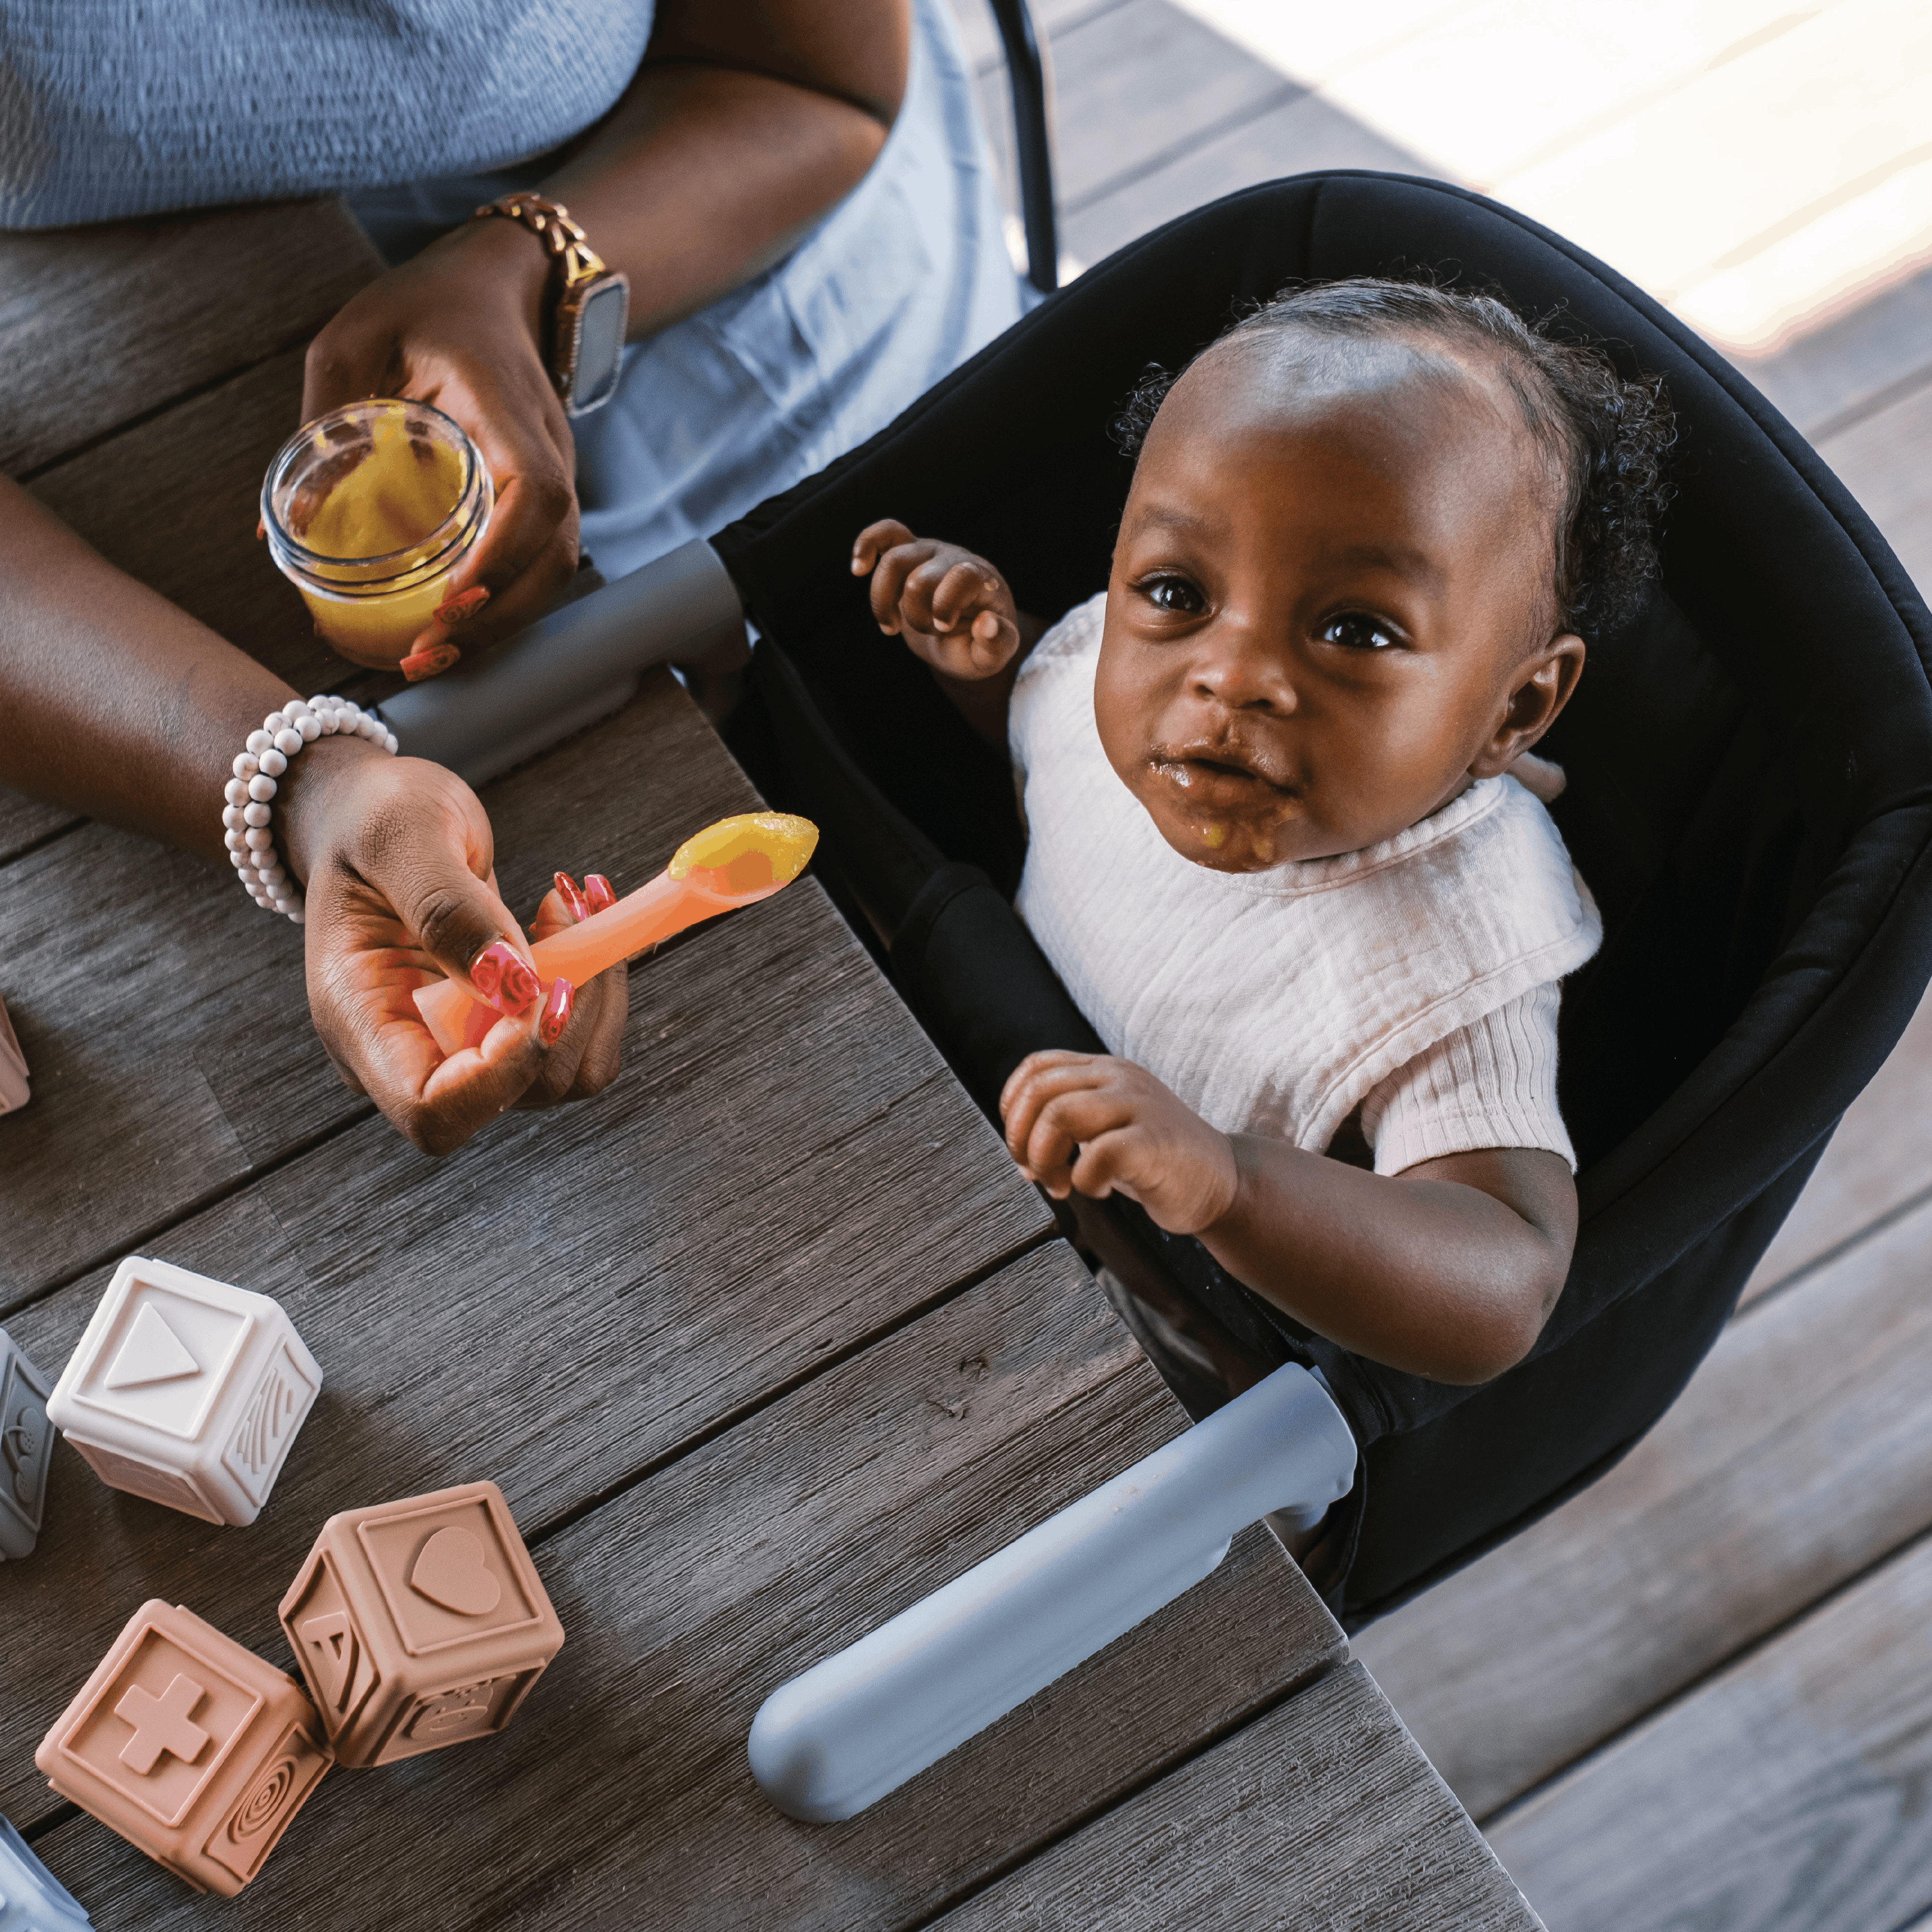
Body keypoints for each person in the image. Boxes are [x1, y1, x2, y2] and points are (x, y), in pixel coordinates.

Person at [0, 0, 1018, 1151]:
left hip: (769, 261)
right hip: (226, 426)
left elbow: (820, 86)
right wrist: (309, 785)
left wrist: (527, 262)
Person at [852, 279, 1675, 1384]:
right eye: (1177, 591)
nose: (1228, 673)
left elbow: (1509, 1279)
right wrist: (998, 668)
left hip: (1158, 1358)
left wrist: (1228, 1183)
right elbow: (1055, 735)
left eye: (1353, 629)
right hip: (929, 1137)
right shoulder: (1139, 685)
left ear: (1515, 711)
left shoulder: (1459, 957)